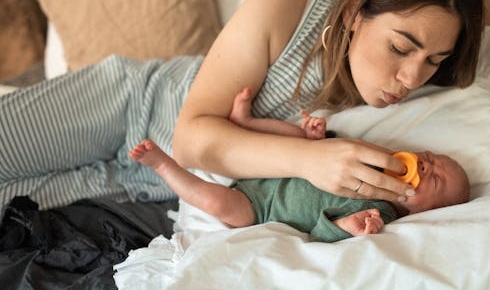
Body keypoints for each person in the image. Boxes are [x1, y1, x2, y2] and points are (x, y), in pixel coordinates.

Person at [0, 0, 483, 216]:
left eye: (434, 60)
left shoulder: (418, 112)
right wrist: (308, 158)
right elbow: (191, 137)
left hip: (152, 188)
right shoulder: (286, 8)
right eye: (401, 47)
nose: (410, 77)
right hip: (129, 106)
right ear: (356, 11)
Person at [128, 87, 471, 242]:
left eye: (436, 178)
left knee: (218, 202)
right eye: (433, 158)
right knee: (292, 136)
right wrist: (316, 137)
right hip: (278, 167)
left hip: (259, 207)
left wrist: (349, 226)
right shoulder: (380, 157)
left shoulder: (379, 212)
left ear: (422, 212)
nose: (429, 163)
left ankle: (163, 167)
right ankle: (244, 123)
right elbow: (333, 153)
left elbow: (320, 234)